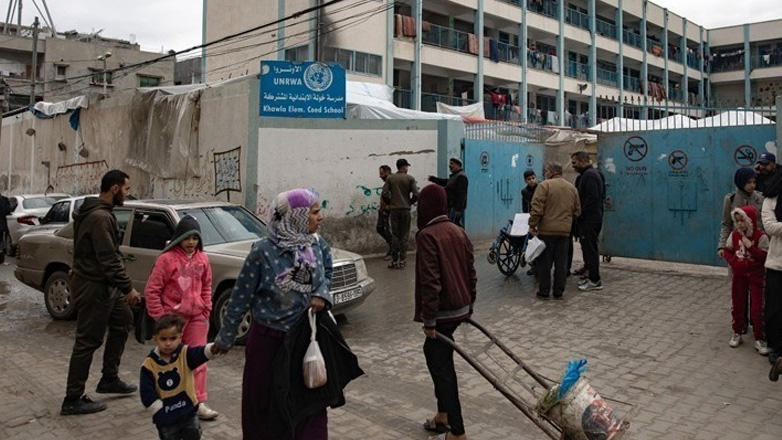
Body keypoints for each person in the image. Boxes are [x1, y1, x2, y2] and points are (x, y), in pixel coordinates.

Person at [214, 189, 333, 439]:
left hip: (305, 341)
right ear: (296, 217)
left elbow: (328, 275)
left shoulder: (317, 244)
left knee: (308, 402)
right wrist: (226, 336)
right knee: (265, 405)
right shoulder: (263, 251)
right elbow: (240, 296)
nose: (320, 217)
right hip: (269, 344)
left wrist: (322, 293)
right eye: (314, 212)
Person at [62, 169, 142, 416]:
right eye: (126, 189)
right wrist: (127, 287)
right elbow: (108, 259)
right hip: (94, 286)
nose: (128, 194)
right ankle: (73, 398)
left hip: (103, 286)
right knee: (88, 341)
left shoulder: (98, 213)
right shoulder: (100, 217)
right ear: (115, 188)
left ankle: (109, 378)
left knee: (123, 320)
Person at [415, 184, 476, 440]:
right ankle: (442, 415)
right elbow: (471, 273)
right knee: (436, 355)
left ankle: (457, 431)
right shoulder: (458, 231)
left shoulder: (427, 235)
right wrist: (470, 305)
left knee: (442, 367)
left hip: (442, 312)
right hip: (460, 307)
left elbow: (431, 282)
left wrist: (429, 321)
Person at [145, 215, 218, 420]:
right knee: (170, 362)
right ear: (179, 237)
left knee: (199, 360)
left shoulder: (203, 259)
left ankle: (198, 402)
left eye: (195, 238)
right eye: (187, 238)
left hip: (196, 319)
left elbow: (206, 286)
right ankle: (169, 400)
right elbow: (152, 291)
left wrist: (206, 311)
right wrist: (161, 320)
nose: (191, 242)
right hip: (171, 322)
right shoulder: (166, 260)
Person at [140, 315, 219, 440]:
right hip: (165, 417)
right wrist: (158, 410)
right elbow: (146, 392)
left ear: (180, 337)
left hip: (188, 412)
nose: (168, 343)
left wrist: (212, 349)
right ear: (155, 339)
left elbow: (200, 353)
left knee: (193, 435)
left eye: (173, 338)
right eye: (163, 339)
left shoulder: (185, 353)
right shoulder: (149, 365)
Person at [528, 162, 581, 300]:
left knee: (545, 263)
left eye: (546, 171)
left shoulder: (544, 185)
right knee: (561, 263)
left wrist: (532, 225)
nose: (545, 173)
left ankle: (544, 291)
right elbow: (577, 210)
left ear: (551, 172)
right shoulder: (572, 188)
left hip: (547, 231)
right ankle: (559, 291)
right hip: (564, 232)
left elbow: (537, 208)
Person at [723, 206, 770, 355]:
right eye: (737, 221)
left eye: (742, 220)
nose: (740, 224)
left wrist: (751, 247)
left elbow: (764, 257)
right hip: (739, 275)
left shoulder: (760, 236)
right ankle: (737, 331)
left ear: (749, 220)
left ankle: (759, 337)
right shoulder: (735, 235)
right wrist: (733, 262)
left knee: (757, 307)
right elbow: (727, 250)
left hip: (756, 275)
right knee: (737, 304)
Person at [571, 152, 606, 291]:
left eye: (574, 162)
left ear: (582, 161)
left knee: (590, 249)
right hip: (590, 218)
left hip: (590, 219)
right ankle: (589, 271)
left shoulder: (590, 175)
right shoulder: (589, 174)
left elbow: (593, 197)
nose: (573, 166)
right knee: (587, 247)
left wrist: (580, 212)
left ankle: (595, 280)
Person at [718, 168, 764, 259]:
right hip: (738, 245)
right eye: (748, 182)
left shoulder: (760, 198)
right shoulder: (731, 199)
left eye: (754, 182)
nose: (752, 185)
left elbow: (764, 222)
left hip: (757, 244)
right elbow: (726, 224)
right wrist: (722, 246)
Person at [382, 158, 420, 269]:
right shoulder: (410, 178)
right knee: (404, 236)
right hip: (405, 209)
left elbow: (384, 193)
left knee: (395, 235)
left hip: (394, 210)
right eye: (407, 166)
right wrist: (409, 202)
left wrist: (391, 202)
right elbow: (416, 194)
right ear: (404, 167)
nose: (407, 168)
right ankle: (402, 260)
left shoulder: (390, 178)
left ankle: (394, 260)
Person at [762, 171, 782, 368]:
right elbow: (770, 227)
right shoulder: (771, 201)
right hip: (777, 263)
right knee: (775, 310)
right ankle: (776, 347)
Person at [427, 157, 468, 227]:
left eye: (452, 164)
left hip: (454, 207)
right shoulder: (454, 176)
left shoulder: (461, 177)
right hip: (451, 206)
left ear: (458, 165)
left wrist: (458, 209)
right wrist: (434, 179)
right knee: (454, 225)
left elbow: (461, 194)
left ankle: (461, 237)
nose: (450, 165)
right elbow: (446, 182)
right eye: (450, 163)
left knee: (452, 225)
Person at [521, 170, 539, 277]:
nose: (531, 181)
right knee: (530, 242)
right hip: (531, 217)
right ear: (525, 180)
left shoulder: (540, 188)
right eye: (529, 179)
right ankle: (533, 265)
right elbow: (525, 205)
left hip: (540, 217)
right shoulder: (524, 191)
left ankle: (538, 265)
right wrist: (525, 217)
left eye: (533, 178)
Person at [376, 165, 393, 258]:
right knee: (380, 228)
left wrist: (387, 208)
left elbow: (392, 197)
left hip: (387, 210)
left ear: (387, 172)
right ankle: (392, 246)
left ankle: (393, 249)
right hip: (383, 210)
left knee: (386, 229)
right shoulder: (388, 182)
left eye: (381, 173)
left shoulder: (391, 182)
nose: (380, 176)